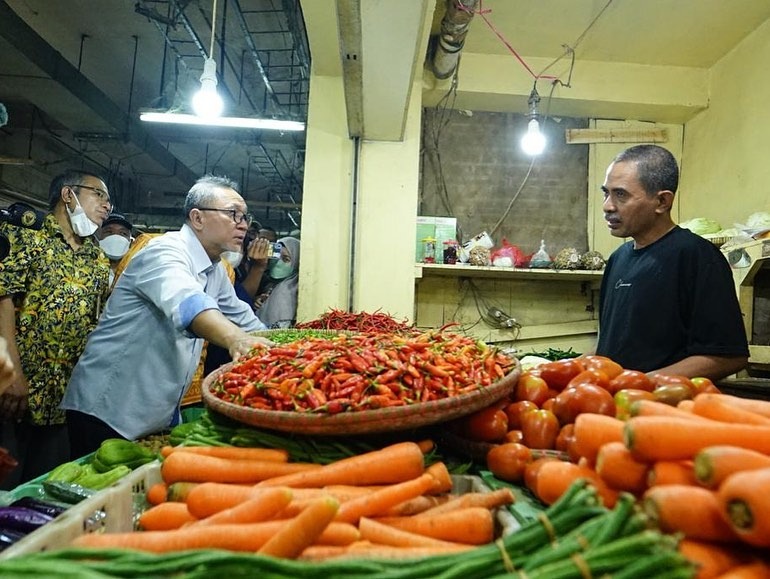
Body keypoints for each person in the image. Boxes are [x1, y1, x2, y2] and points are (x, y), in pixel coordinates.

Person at [61, 175, 272, 457]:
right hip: (109, 407)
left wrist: (291, 349)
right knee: (98, 492)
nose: (243, 224)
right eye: (233, 213)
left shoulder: (215, 269)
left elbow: (243, 317)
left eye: (245, 216)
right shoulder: (164, 252)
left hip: (151, 411)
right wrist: (236, 340)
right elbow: (189, 304)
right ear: (197, 218)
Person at [595, 144, 748, 380]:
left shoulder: (697, 257)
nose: (607, 206)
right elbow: (609, 349)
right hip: (617, 408)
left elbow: (727, 356)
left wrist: (642, 385)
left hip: (665, 411)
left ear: (662, 202)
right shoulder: (618, 260)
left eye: (621, 195)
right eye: (606, 193)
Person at [0, 169, 111, 487]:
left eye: (108, 199)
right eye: (99, 195)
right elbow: (3, 299)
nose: (107, 206)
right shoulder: (26, 237)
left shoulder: (98, 258)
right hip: (17, 389)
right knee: (6, 479)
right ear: (68, 195)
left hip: (65, 396)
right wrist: (13, 374)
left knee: (45, 485)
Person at [255, 236, 301, 329]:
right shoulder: (273, 285)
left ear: (296, 264)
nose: (278, 263)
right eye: (276, 257)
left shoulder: (285, 291)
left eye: (286, 259)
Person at [96, 212, 133, 288]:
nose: (116, 237)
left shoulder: (135, 271)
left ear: (131, 242)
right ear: (98, 238)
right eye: (109, 232)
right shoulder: (89, 269)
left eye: (123, 233)